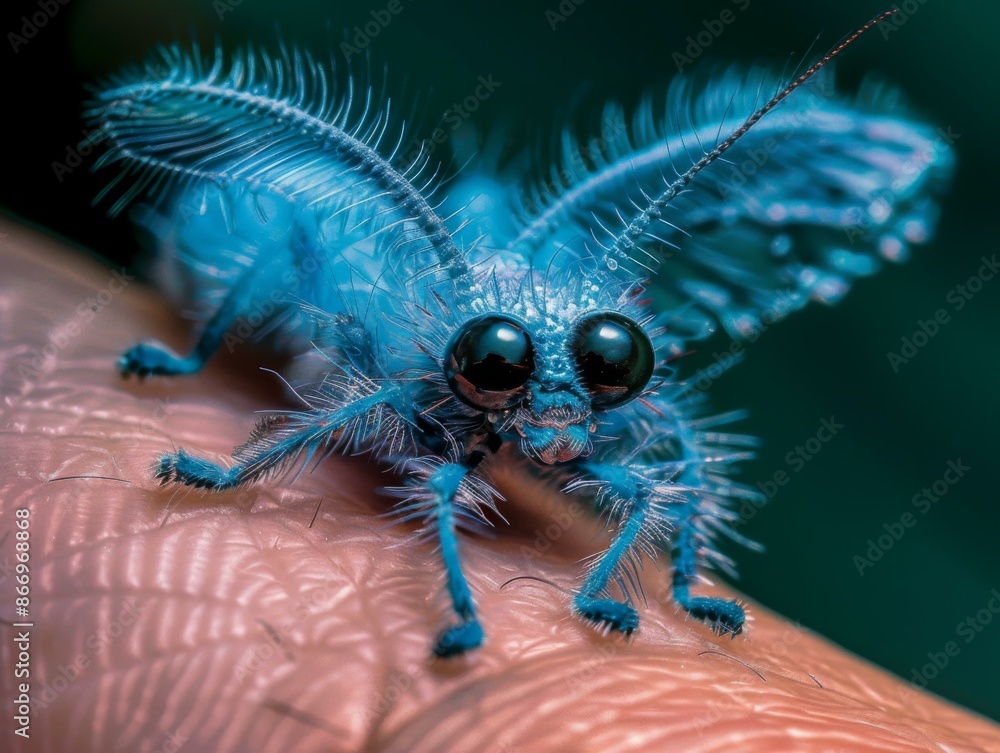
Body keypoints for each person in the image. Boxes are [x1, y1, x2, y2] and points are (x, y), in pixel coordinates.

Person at [3, 218, 998, 752]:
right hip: (295, 299)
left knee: (649, 489)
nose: (566, 413)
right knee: (437, 491)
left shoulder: (591, 411)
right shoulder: (402, 381)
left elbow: (677, 462)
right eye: (516, 376)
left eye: (607, 369)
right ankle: (463, 609)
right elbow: (353, 421)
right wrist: (230, 470)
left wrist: (675, 587)